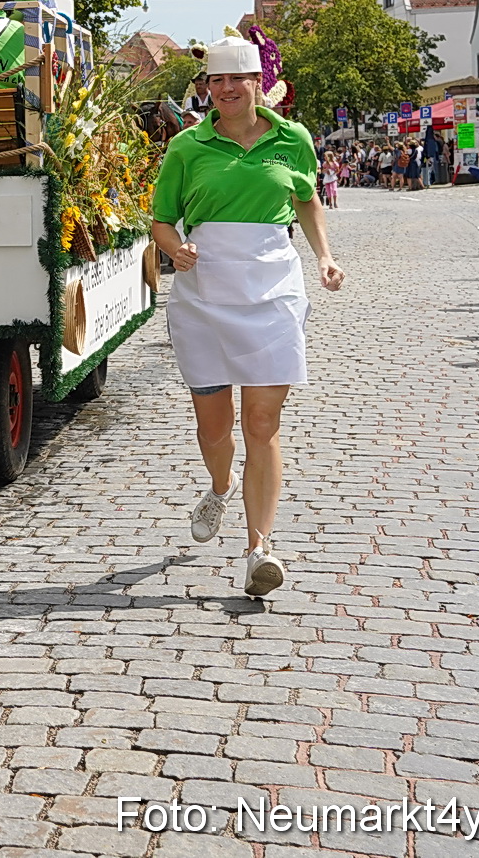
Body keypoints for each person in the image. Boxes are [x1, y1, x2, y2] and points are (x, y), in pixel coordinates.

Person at [150, 32, 344, 598]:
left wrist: (325, 257)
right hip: (203, 295)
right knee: (215, 428)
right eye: (217, 80)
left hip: (272, 290)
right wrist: (173, 247)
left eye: (238, 78)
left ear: (259, 83)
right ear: (207, 86)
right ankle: (219, 485)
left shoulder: (293, 139)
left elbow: (307, 197)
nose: (227, 89)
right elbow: (162, 219)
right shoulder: (186, 147)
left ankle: (258, 548)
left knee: (262, 422)